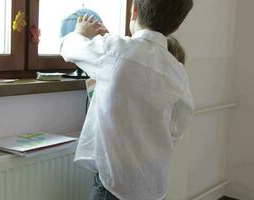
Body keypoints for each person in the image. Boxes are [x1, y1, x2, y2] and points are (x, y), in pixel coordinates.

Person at [60, 0, 194, 199]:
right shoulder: (177, 71)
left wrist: (79, 31)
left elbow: (69, 48)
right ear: (178, 24)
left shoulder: (114, 50)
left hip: (114, 186)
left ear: (134, 10)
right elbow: (178, 127)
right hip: (153, 186)